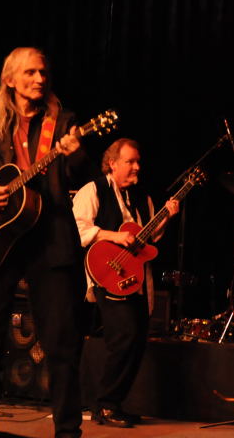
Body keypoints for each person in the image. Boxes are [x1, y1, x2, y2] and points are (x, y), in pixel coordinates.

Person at [0, 47, 89, 438]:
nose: (40, 79)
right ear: (10, 79)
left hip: (51, 239)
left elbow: (83, 173)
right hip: (0, 242)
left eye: (43, 72)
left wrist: (76, 154)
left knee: (61, 346)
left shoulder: (64, 121)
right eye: (30, 72)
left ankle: (68, 432)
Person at [72, 138, 179, 429]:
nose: (136, 167)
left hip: (136, 279)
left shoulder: (142, 197)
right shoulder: (93, 190)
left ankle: (113, 403)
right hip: (107, 275)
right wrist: (114, 236)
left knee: (137, 340)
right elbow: (77, 228)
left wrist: (167, 216)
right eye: (130, 161)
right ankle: (105, 404)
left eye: (138, 161)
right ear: (112, 164)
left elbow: (150, 238)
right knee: (124, 337)